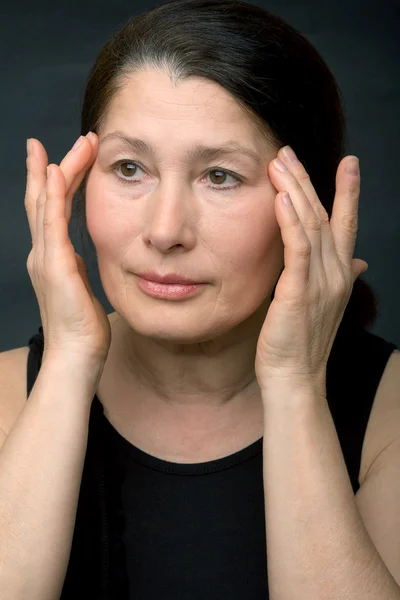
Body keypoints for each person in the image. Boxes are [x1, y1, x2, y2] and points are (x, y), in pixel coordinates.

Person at [1, 1, 398, 598]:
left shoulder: (388, 416)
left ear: (309, 203)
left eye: (220, 176)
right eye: (129, 167)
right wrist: (68, 359)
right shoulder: (7, 395)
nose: (165, 231)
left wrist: (294, 383)